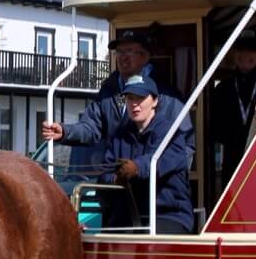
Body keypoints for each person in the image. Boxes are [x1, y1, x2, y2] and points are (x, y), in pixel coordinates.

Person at [50, 73, 195, 233]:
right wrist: (115, 179)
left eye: (140, 98)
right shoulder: (121, 134)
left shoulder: (171, 132)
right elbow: (106, 171)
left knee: (144, 239)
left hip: (168, 214)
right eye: (130, 98)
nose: (134, 104)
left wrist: (136, 168)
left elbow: (160, 161)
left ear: (155, 101)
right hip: (127, 215)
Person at [42, 28, 151, 172]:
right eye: (119, 51)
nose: (123, 57)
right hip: (114, 180)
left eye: (129, 51)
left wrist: (142, 170)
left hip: (147, 185)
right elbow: (91, 127)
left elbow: (179, 145)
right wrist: (64, 131)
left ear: (144, 56)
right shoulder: (108, 90)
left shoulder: (161, 92)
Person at [203, 30, 256, 207]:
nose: (245, 55)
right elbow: (214, 130)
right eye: (240, 49)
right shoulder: (222, 89)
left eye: (251, 50)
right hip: (232, 164)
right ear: (233, 53)